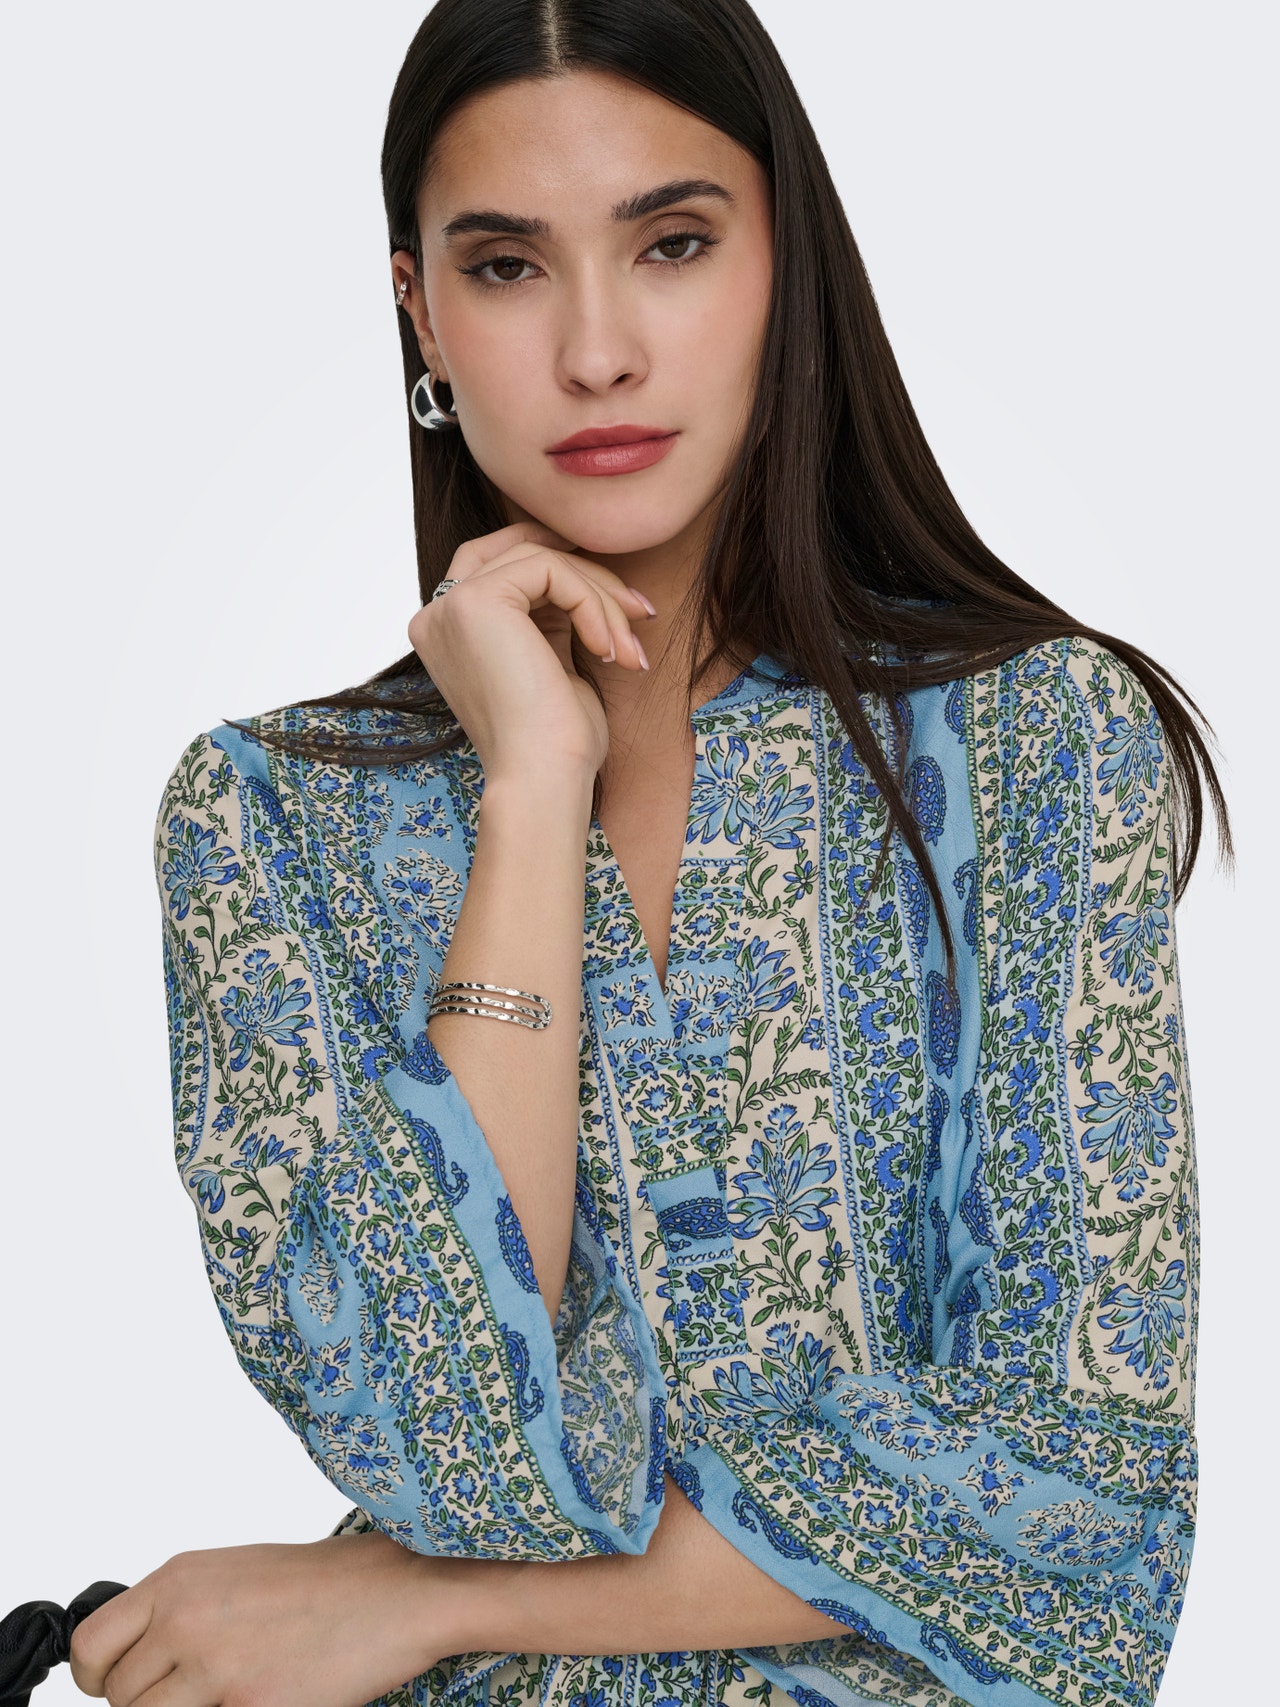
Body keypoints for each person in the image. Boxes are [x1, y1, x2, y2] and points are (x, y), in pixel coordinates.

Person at [69, 2, 1230, 1705]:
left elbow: (1084, 1509)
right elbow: (444, 1441)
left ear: (785, 265)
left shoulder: (1033, 743)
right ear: (422, 313)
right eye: (508, 268)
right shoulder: (267, 818)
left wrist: (416, 1608)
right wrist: (535, 790)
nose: (598, 352)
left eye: (672, 244)